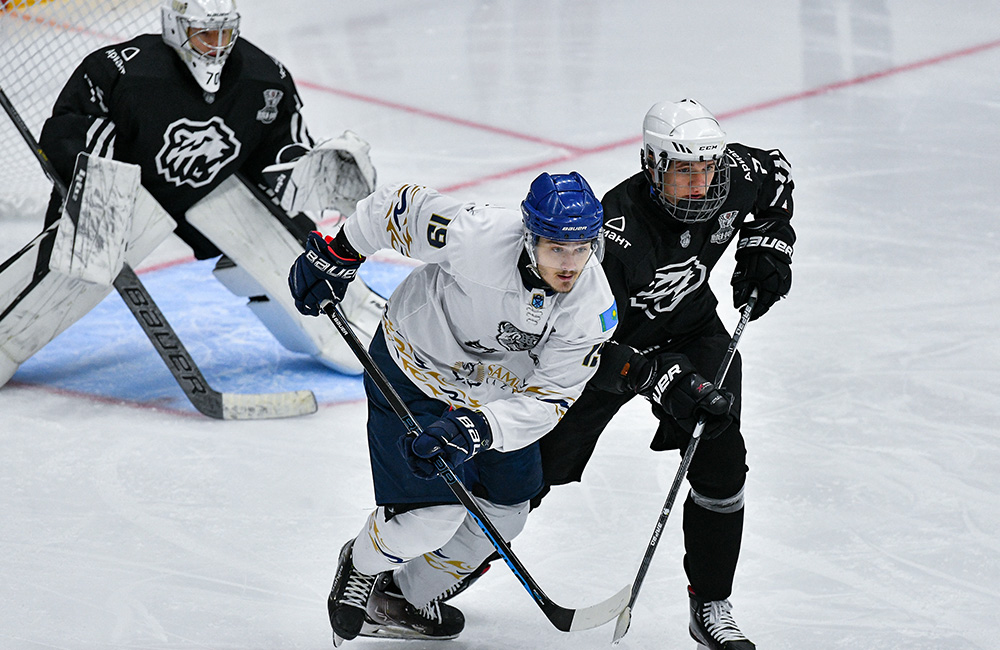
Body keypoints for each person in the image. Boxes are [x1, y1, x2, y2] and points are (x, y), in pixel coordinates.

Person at [287, 172, 618, 644]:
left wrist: (477, 429)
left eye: (581, 247)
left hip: (492, 399)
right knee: (429, 519)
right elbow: (396, 207)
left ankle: (400, 596)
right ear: (529, 238)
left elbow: (550, 398)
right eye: (556, 248)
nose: (569, 264)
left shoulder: (592, 307)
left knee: (507, 513)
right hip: (413, 367)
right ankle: (362, 562)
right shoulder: (480, 235)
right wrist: (341, 254)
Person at [0, 0, 381, 388]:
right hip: (127, 192)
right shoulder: (123, 70)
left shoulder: (264, 80)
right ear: (175, 28)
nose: (217, 45)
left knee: (289, 246)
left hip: (210, 191)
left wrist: (308, 168)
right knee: (81, 262)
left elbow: (279, 153)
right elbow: (70, 128)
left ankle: (359, 330)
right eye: (205, 34)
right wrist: (100, 187)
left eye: (225, 32)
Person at [535, 99, 795, 650]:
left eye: (708, 168)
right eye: (683, 170)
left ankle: (711, 604)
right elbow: (577, 343)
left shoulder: (735, 176)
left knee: (721, 457)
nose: (701, 184)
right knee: (527, 475)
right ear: (652, 165)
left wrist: (766, 247)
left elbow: (778, 179)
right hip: (607, 353)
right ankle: (425, 579)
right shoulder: (615, 231)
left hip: (693, 334)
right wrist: (654, 376)